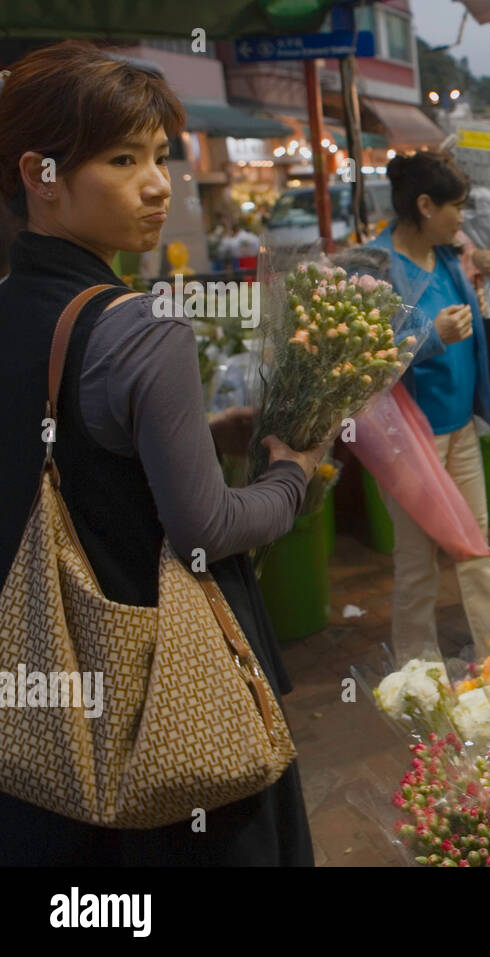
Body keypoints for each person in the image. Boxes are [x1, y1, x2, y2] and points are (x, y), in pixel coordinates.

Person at [0, 41, 325, 865]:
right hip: (165, 713)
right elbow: (205, 528)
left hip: (40, 711)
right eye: (121, 159)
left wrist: (200, 437)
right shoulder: (140, 331)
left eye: (159, 157)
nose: (157, 185)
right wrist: (293, 476)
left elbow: (64, 453)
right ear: (41, 174)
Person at [363, 149, 490, 663]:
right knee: (418, 559)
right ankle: (415, 670)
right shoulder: (375, 266)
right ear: (425, 205)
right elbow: (367, 360)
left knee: (475, 547)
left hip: (460, 425)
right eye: (456, 207)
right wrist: (432, 336)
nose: (462, 218)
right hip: (410, 441)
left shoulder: (449, 256)